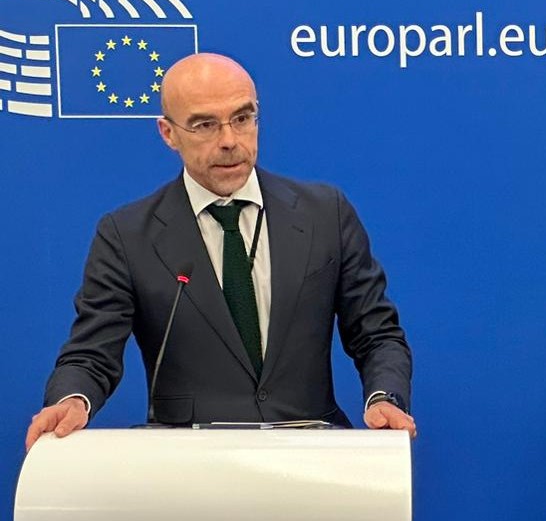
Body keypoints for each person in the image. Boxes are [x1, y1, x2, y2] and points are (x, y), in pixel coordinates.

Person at [25, 52, 414, 449]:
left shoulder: (324, 213)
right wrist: (72, 399)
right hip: (191, 469)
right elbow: (91, 353)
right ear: (168, 133)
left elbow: (377, 334)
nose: (229, 141)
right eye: (205, 125)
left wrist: (385, 396)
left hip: (311, 456)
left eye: (242, 119)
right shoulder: (126, 235)